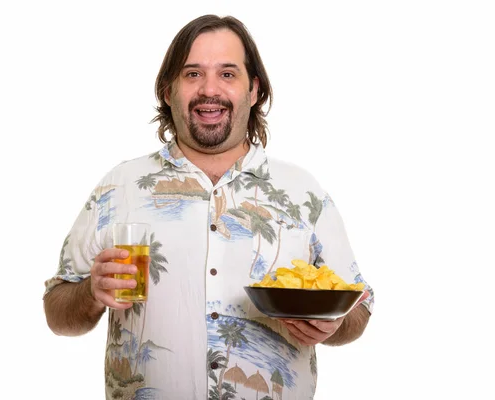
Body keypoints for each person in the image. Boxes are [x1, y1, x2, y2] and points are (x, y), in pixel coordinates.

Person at [43, 14, 374, 400]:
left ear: (254, 90)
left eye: (228, 74)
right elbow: (57, 312)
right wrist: (88, 292)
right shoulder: (120, 186)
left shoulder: (303, 192)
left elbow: (359, 310)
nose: (209, 90)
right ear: (168, 91)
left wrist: (334, 324)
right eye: (193, 74)